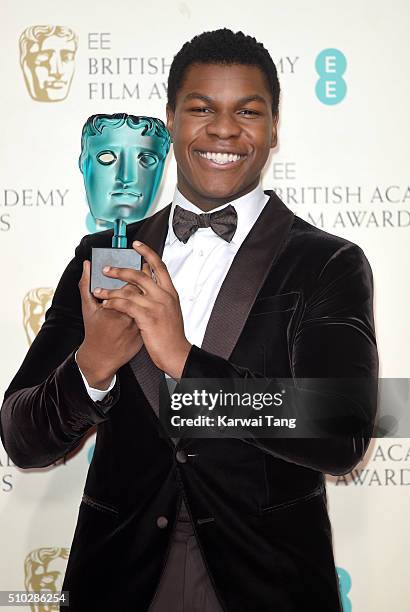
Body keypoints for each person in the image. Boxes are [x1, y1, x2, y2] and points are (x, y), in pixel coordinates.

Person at [0, 28, 378, 611]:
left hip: (267, 581)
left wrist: (182, 359)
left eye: (247, 112)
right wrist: (93, 366)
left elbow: (340, 430)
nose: (224, 130)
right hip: (118, 579)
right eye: (202, 109)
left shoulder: (326, 262)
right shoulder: (99, 255)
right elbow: (21, 437)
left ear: (275, 127)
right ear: (172, 118)